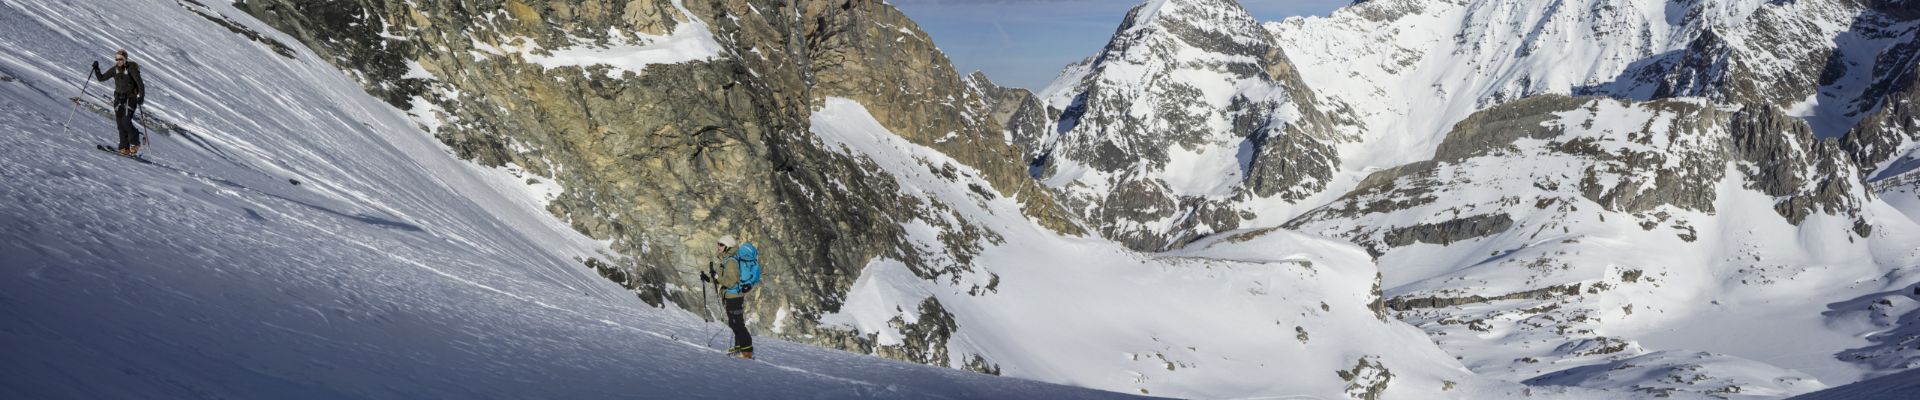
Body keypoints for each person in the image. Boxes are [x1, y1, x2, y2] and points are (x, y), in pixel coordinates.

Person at [700, 235, 760, 359]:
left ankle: (747, 351)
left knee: (737, 324)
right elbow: (724, 279)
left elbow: (730, 282)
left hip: (734, 297)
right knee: (735, 323)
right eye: (718, 244)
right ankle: (740, 348)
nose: (718, 246)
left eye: (721, 245)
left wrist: (717, 278)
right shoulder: (728, 259)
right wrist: (708, 278)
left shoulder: (731, 261)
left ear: (728, 246)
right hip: (732, 296)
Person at [93, 49, 146, 156]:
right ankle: (124, 148)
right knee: (120, 124)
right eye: (116, 59)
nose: (118, 61)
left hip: (130, 98)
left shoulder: (132, 69)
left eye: (121, 59)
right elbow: (101, 78)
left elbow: (140, 84)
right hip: (118, 99)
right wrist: (96, 69)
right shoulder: (115, 69)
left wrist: (141, 97)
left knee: (126, 121)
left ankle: (135, 143)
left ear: (125, 59)